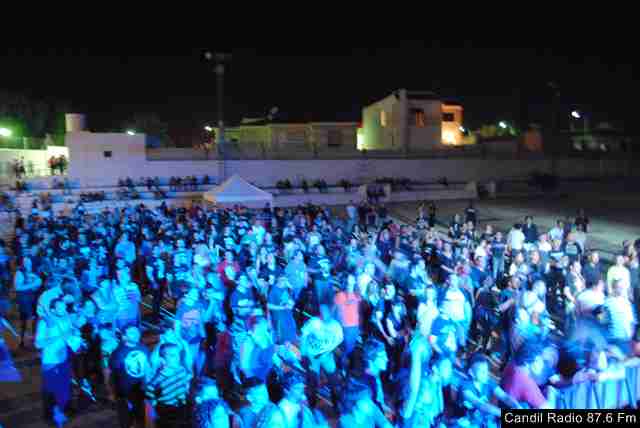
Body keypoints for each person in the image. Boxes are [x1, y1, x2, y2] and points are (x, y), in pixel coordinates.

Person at [35, 298, 83, 427]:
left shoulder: (66, 317)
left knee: (65, 385)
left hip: (64, 358)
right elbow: (38, 344)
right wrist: (58, 337)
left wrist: (74, 334)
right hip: (50, 361)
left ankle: (65, 407)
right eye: (60, 307)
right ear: (52, 310)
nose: (64, 309)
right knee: (49, 389)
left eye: (64, 307)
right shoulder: (44, 322)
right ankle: (49, 414)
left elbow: (71, 332)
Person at [300, 303, 343, 408]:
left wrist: (327, 351)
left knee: (334, 380)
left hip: (326, 356)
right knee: (312, 381)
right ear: (319, 314)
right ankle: (312, 405)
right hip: (312, 356)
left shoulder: (336, 326)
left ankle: (336, 403)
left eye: (327, 314)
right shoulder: (313, 322)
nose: (324, 317)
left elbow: (339, 339)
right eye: (322, 314)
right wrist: (303, 354)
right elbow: (303, 337)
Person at [459, 354, 521, 427]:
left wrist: (517, 406)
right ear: (471, 373)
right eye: (482, 371)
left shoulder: (488, 382)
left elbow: (504, 397)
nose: (486, 374)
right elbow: (481, 405)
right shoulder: (465, 388)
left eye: (486, 370)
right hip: (469, 421)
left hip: (485, 419)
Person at [108, 324, 149, 428]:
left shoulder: (143, 348)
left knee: (141, 416)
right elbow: (112, 373)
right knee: (126, 419)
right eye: (132, 332)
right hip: (125, 392)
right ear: (124, 337)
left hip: (141, 389)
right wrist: (112, 391)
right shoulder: (118, 353)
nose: (136, 334)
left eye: (137, 331)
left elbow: (147, 367)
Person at [146, 342, 193, 428]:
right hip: (167, 416)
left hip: (183, 412)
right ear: (162, 360)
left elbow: (186, 388)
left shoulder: (182, 370)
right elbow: (150, 401)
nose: (177, 358)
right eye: (172, 356)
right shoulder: (156, 381)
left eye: (178, 355)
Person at [501, 341, 556, 409]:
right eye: (538, 360)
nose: (542, 365)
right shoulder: (527, 383)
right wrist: (552, 393)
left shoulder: (513, 364)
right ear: (526, 362)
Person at [334, 274, 362, 369]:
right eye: (348, 280)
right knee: (345, 348)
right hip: (346, 326)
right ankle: (340, 367)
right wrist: (340, 326)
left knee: (350, 348)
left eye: (352, 279)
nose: (350, 282)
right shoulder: (340, 295)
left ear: (354, 281)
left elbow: (358, 310)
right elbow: (338, 313)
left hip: (355, 326)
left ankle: (344, 366)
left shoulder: (357, 295)